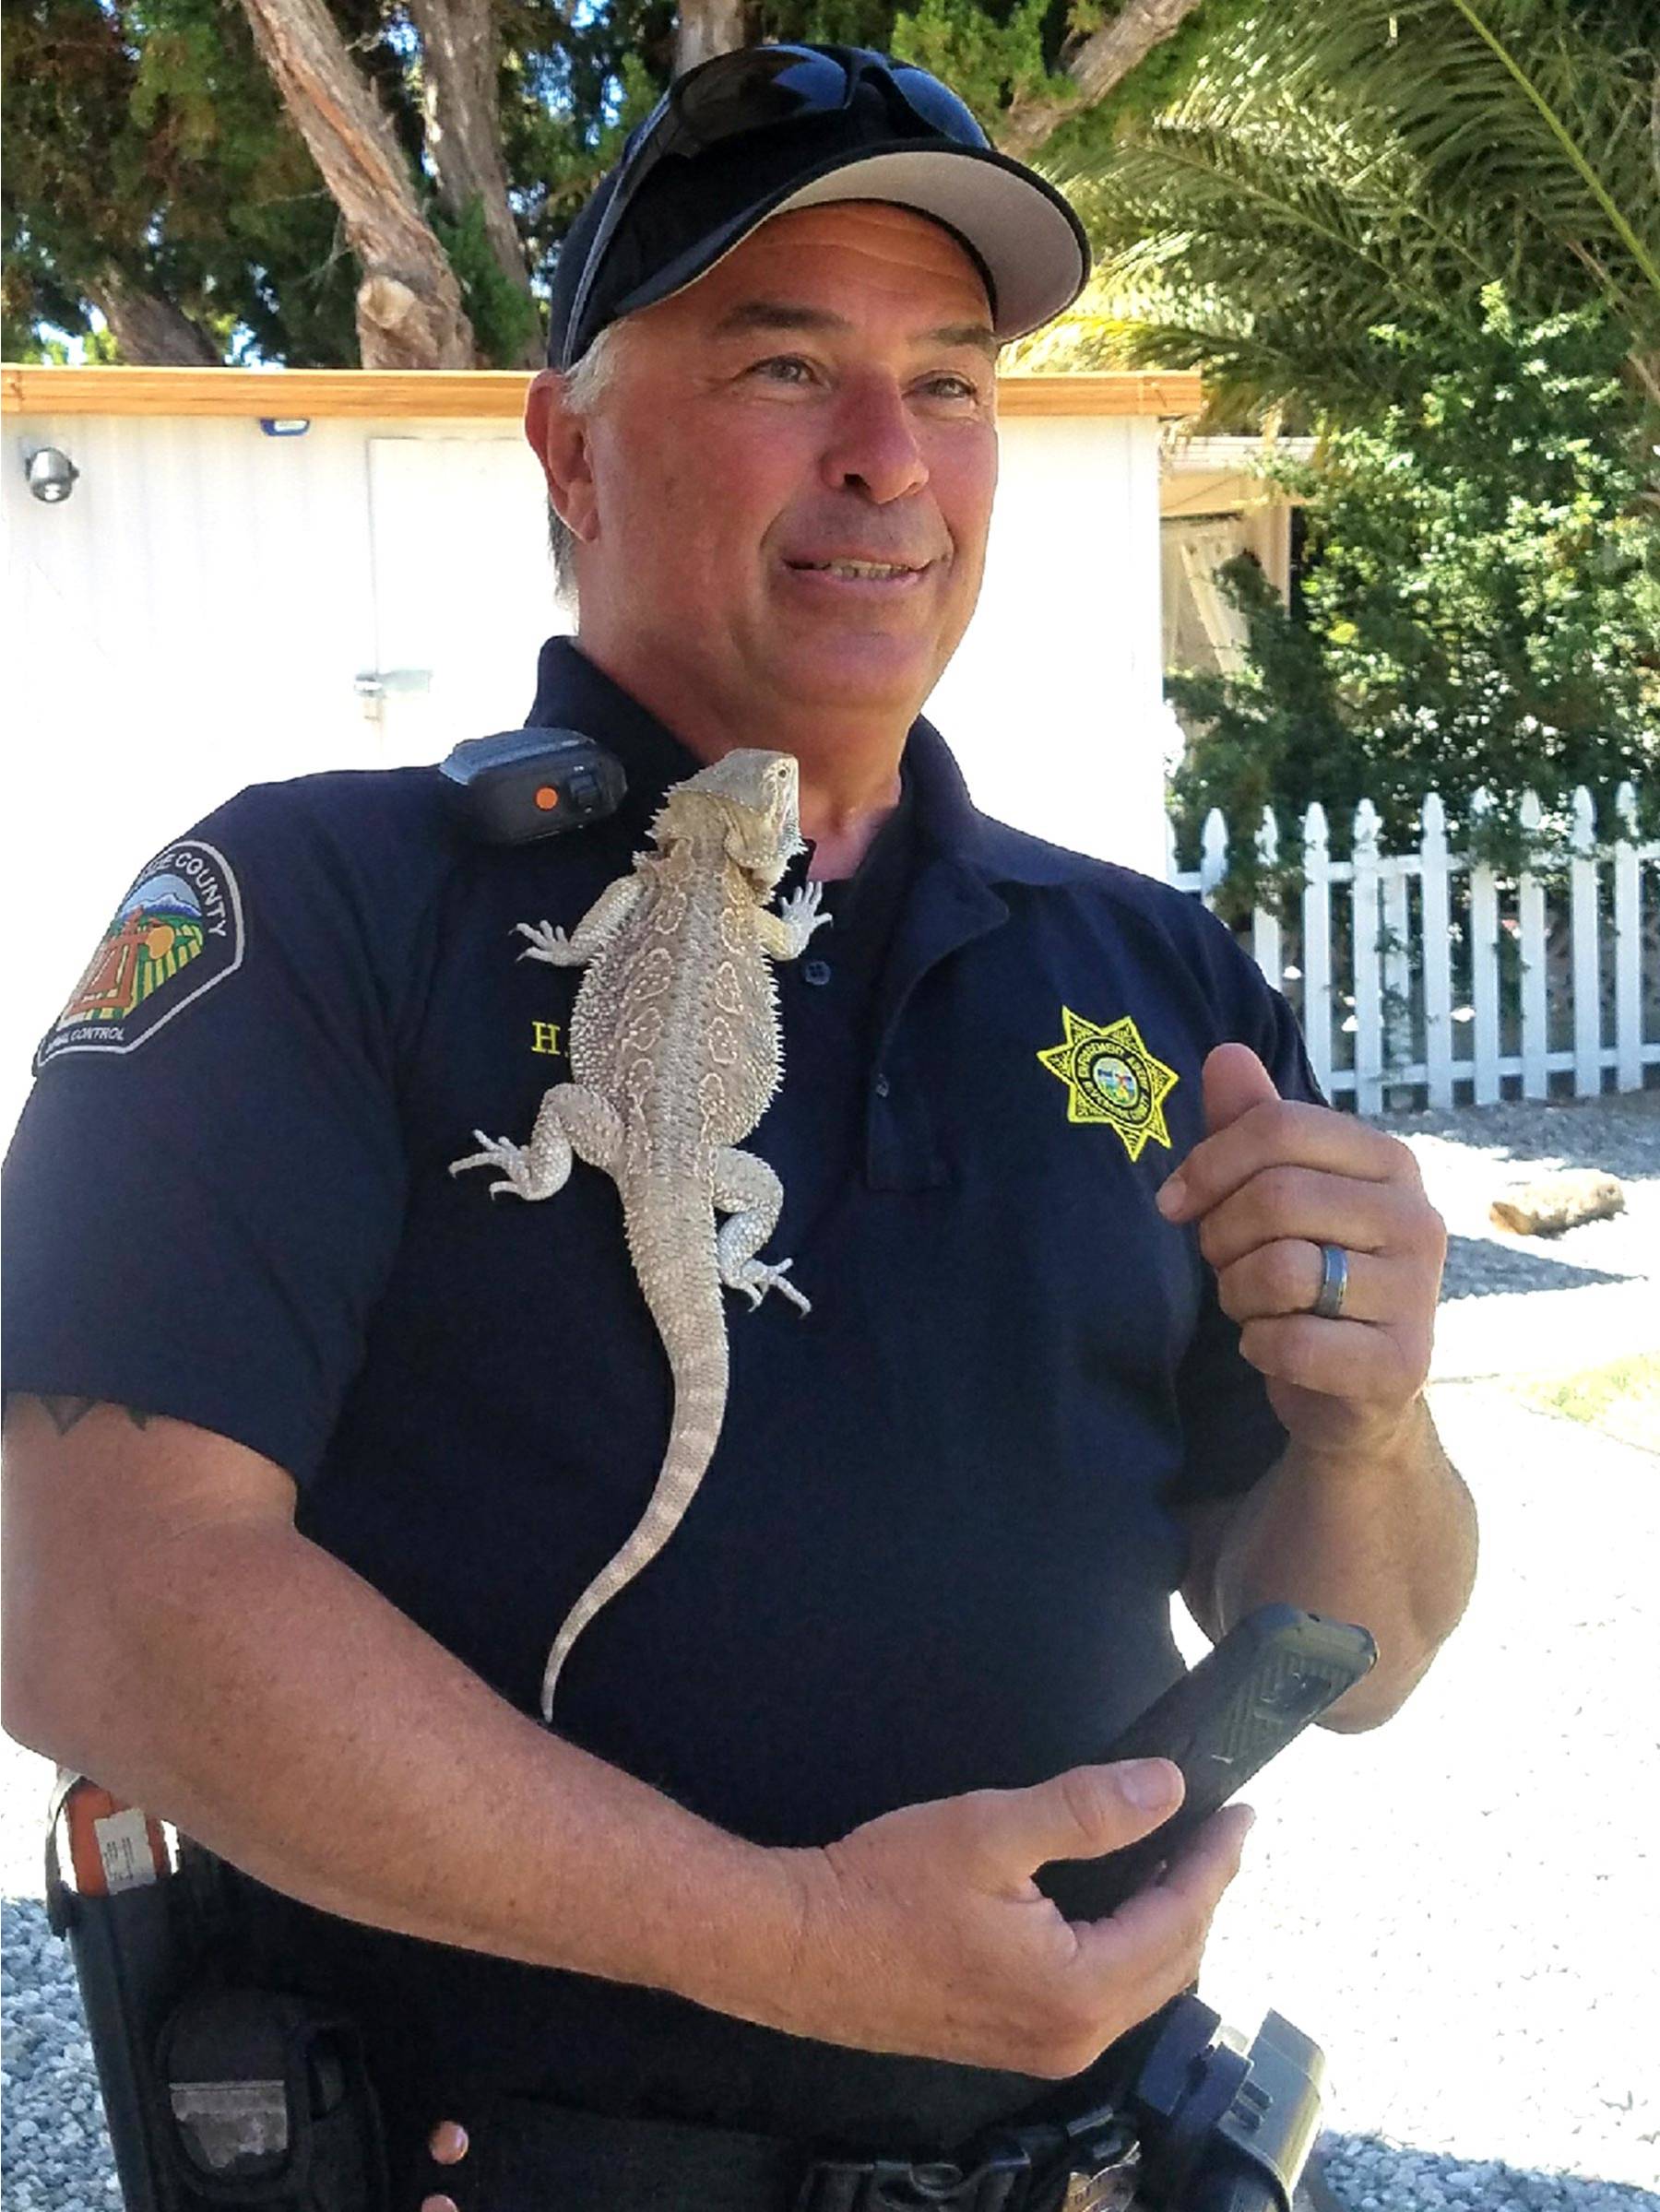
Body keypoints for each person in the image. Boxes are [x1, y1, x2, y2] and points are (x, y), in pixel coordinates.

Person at [2, 42, 1476, 2212]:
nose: (890, 460)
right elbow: (83, 1603)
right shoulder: (316, 908)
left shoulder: (1158, 977)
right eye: (787, 363)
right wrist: (799, 1947)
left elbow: (1352, 1650)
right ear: (567, 450)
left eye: (953, 383)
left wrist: (1372, 1435)